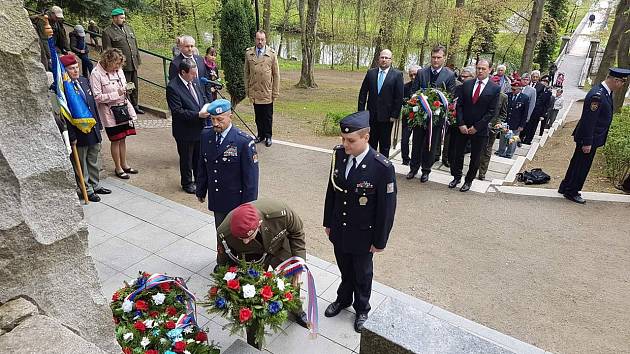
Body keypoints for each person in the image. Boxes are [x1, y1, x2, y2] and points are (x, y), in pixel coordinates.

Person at [323, 111, 397, 333]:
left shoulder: (382, 167)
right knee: (345, 268)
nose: (345, 144)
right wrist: (328, 222)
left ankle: (362, 308)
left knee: (363, 273)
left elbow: (387, 209)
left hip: (364, 234)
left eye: (351, 141)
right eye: (343, 139)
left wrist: (380, 241)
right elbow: (332, 191)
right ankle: (343, 299)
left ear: (366, 137)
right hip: (340, 228)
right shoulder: (339, 155)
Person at [214, 200, 309, 328]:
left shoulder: (280, 213)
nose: (246, 242)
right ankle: (256, 316)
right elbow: (225, 260)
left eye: (249, 236)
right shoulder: (224, 232)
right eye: (242, 239)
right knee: (253, 288)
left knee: (292, 280)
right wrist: (228, 284)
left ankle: (297, 310)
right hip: (253, 256)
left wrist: (298, 263)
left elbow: (297, 232)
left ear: (259, 224)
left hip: (279, 246)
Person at [559, 68, 630, 204]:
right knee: (581, 165)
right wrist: (587, 142)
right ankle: (572, 191)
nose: (622, 86)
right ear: (615, 80)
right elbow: (589, 120)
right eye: (622, 82)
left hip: (591, 137)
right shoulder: (598, 95)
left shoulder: (604, 92)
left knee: (577, 162)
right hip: (589, 138)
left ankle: (566, 186)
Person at [196, 99, 259, 234]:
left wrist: (248, 207)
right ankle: (222, 255)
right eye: (212, 119)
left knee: (238, 236)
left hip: (237, 202)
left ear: (230, 117)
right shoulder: (206, 135)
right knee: (221, 234)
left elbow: (251, 180)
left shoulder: (243, 141)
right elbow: (203, 164)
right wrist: (201, 190)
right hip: (217, 198)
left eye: (219, 119)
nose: (215, 123)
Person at [60, 54, 111, 202]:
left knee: (93, 158)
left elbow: (93, 105)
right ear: (65, 70)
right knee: (81, 163)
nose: (75, 71)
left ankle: (95, 185)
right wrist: (71, 135)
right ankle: (86, 189)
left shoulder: (83, 80)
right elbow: (65, 114)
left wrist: (99, 124)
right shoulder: (64, 89)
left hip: (92, 128)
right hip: (78, 132)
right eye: (71, 69)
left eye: (76, 67)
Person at [449, 59, 500, 192]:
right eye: (478, 68)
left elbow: (492, 112)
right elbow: (459, 106)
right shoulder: (467, 85)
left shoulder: (494, 88)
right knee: (457, 154)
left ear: (489, 70)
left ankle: (468, 180)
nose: (480, 71)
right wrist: (461, 123)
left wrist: (477, 127)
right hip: (463, 127)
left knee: (475, 157)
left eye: (483, 68)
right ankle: (456, 177)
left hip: (480, 129)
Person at [407, 45, 456, 181]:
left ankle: (426, 170)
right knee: (416, 143)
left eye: (438, 58)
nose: (435, 60)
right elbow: (413, 91)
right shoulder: (422, 72)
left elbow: (450, 96)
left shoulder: (450, 75)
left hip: (436, 117)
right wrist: (417, 101)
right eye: (433, 57)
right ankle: (413, 168)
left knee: (431, 144)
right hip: (420, 116)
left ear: (444, 58)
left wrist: (436, 106)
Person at [90, 48, 138, 179]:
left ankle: (125, 164)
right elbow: (97, 97)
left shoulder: (118, 70)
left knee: (123, 138)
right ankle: (118, 167)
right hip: (110, 112)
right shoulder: (96, 74)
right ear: (108, 61)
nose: (118, 67)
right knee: (116, 139)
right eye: (116, 64)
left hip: (123, 108)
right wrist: (117, 93)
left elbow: (122, 86)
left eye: (119, 64)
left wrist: (127, 89)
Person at [166, 59, 210, 194]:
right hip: (185, 131)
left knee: (198, 156)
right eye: (192, 74)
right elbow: (178, 111)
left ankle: (199, 179)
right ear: (183, 72)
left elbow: (202, 97)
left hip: (199, 128)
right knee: (186, 159)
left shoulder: (194, 81)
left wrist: (207, 106)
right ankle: (187, 183)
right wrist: (198, 114)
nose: (195, 76)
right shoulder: (173, 87)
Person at [358, 49, 404, 159]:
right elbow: (363, 93)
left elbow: (399, 97)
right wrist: (361, 113)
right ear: (379, 59)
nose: (384, 60)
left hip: (387, 118)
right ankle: (369, 164)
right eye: (382, 57)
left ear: (391, 60)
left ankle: (383, 167)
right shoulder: (371, 73)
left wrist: (394, 115)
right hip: (371, 116)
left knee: (384, 144)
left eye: (387, 58)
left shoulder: (397, 75)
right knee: (370, 143)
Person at [102, 8, 143, 114]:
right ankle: (127, 106)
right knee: (125, 87)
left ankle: (135, 105)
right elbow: (108, 51)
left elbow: (135, 45)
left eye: (124, 17)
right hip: (121, 66)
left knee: (134, 85)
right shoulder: (107, 32)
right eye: (121, 18)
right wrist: (113, 65)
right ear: (114, 18)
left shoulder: (129, 28)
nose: (123, 20)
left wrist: (137, 59)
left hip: (132, 63)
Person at [244, 31, 280, 147]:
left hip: (267, 91)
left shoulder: (272, 54)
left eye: (262, 39)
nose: (260, 42)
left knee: (267, 116)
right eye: (258, 39)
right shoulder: (249, 53)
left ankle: (268, 136)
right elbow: (246, 73)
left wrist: (275, 92)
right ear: (255, 39)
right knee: (258, 116)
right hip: (255, 90)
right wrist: (247, 89)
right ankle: (260, 135)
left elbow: (276, 75)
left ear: (265, 40)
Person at [442, 67, 475, 168]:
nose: (463, 79)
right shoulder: (458, 88)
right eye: (462, 76)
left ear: (472, 77)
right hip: (455, 120)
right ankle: (450, 160)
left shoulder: (475, 89)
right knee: (452, 142)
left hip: (470, 122)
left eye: (466, 77)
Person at [477, 75, 508, 180]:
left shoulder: (503, 97)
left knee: (487, 150)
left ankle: (482, 172)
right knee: (477, 148)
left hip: (492, 128)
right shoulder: (482, 92)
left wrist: (498, 123)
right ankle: (473, 168)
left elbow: (503, 114)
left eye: (498, 83)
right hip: (479, 125)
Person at [496, 81, 529, 158]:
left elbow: (525, 113)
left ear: (519, 89)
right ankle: (501, 152)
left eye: (515, 89)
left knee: (513, 139)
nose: (513, 91)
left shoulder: (524, 98)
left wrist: (522, 125)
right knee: (503, 138)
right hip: (506, 122)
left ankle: (509, 154)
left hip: (516, 122)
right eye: (512, 89)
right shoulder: (507, 96)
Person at [30, 5, 69, 70]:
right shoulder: (43, 20)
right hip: (43, 44)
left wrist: (67, 49)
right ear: (52, 14)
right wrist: (50, 56)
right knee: (48, 61)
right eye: (56, 17)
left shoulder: (57, 22)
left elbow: (63, 36)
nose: (58, 18)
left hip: (53, 45)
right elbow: (44, 40)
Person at [522, 75, 552, 143]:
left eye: (546, 82)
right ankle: (522, 137)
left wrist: (542, 114)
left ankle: (528, 140)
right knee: (527, 125)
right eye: (543, 81)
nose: (544, 83)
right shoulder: (537, 89)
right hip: (531, 109)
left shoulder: (548, 92)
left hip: (538, 112)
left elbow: (546, 105)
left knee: (533, 126)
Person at [401, 65, 419, 165]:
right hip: (408, 117)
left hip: (420, 118)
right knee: (404, 140)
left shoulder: (424, 86)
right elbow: (402, 101)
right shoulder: (405, 87)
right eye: (411, 75)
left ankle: (415, 161)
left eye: (415, 74)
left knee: (417, 142)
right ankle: (405, 159)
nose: (413, 77)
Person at [517, 73, 537, 146]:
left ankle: (517, 141)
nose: (525, 81)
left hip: (523, 114)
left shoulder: (532, 90)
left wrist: (528, 116)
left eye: (527, 80)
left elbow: (532, 104)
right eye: (524, 79)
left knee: (519, 131)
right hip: (515, 113)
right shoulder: (517, 87)